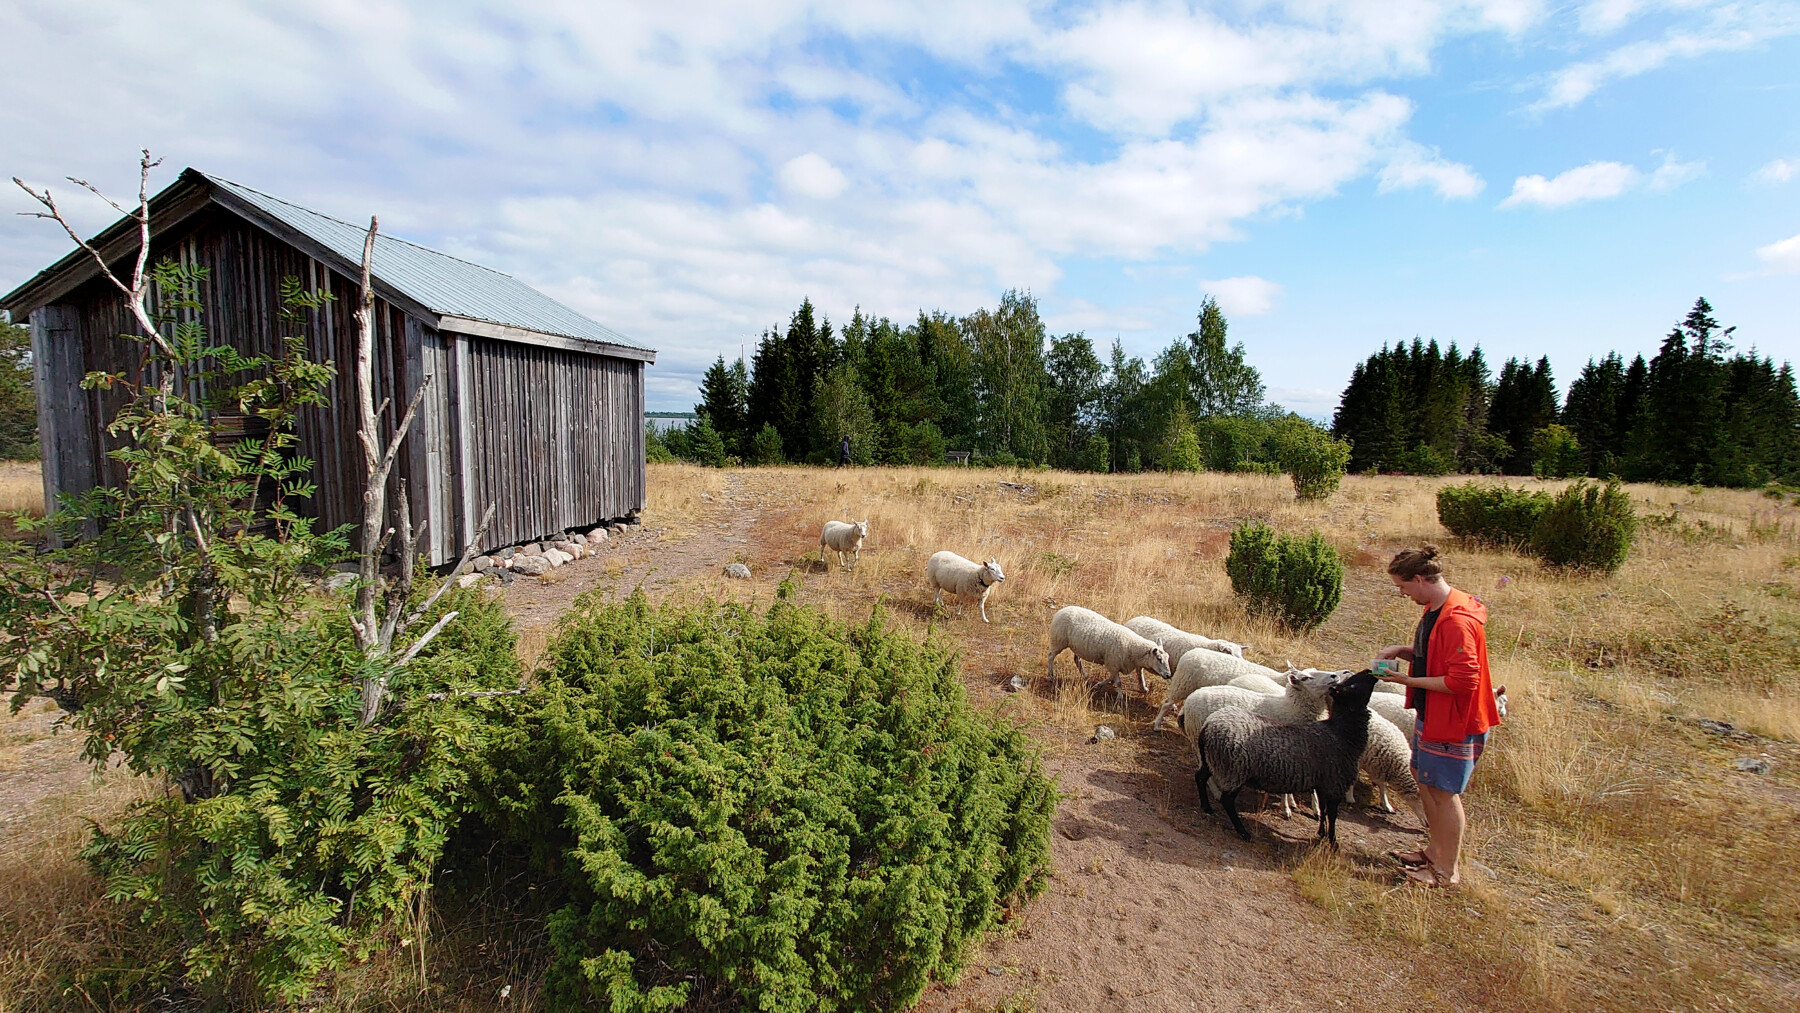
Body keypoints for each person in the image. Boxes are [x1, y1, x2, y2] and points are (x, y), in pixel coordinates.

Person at [1374, 545, 1501, 888]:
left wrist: (1406, 680)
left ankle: (1446, 870)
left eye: (1403, 587)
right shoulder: (1438, 608)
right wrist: (1404, 652)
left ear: (1419, 579)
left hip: (1456, 720)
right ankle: (1434, 850)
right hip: (1434, 713)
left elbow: (1463, 681)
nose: (1402, 594)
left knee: (1444, 792)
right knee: (1423, 776)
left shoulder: (1458, 620)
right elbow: (1437, 653)